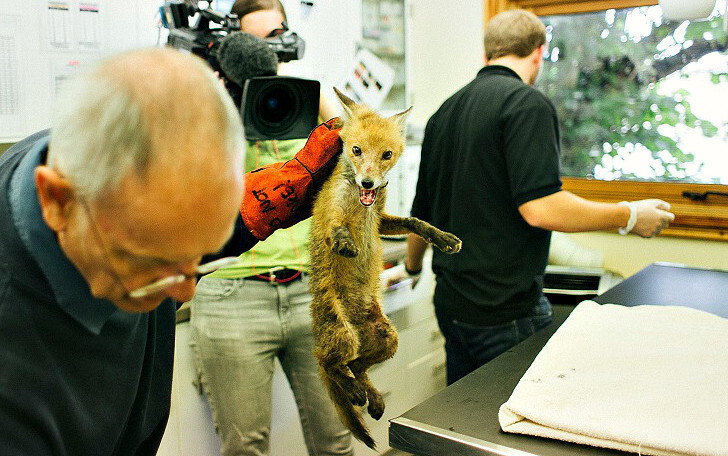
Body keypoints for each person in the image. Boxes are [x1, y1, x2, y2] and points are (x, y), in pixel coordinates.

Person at [0, 47, 342, 455]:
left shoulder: (94, 167)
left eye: (201, 254)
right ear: (58, 202)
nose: (186, 291)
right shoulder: (12, 360)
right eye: (158, 262)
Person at [405, 9, 675, 386]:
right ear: (538, 52)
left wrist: (413, 266)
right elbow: (541, 207)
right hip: (505, 313)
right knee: (522, 428)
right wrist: (630, 214)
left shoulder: (441, 115)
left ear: (486, 56)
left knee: (462, 421)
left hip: (451, 305)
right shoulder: (526, 104)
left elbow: (422, 213)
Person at [188, 1, 353, 455]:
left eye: (276, 41)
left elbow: (362, 146)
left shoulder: (303, 95)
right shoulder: (210, 101)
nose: (268, 56)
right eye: (254, 47)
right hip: (230, 297)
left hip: (309, 291)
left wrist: (305, 89)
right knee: (246, 447)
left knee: (338, 439)